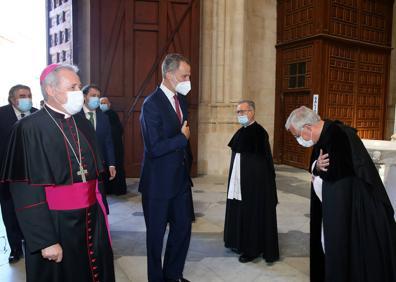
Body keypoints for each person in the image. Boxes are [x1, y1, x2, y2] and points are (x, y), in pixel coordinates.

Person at [0, 64, 115, 282]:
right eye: (72, 86)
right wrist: (45, 240)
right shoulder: (29, 128)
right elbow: (25, 190)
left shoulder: (82, 121)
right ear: (51, 90)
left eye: (79, 86)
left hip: (92, 217)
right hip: (55, 223)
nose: (79, 93)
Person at [285, 106, 396, 282]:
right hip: (328, 208)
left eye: (297, 135)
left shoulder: (340, 136)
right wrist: (317, 167)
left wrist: (321, 172)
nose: (298, 139)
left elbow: (342, 176)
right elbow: (316, 165)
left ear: (307, 127)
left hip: (351, 210)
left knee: (341, 249)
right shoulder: (321, 137)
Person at [139, 53, 194, 282]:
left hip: (180, 181)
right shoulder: (151, 104)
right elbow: (154, 147)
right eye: (185, 75)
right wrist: (182, 139)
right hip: (158, 185)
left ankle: (174, 275)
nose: (188, 80)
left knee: (182, 231)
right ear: (170, 75)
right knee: (156, 237)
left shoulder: (181, 100)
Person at [224, 100, 279, 263]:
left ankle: (252, 248)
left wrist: (253, 184)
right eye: (237, 112)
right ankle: (238, 242)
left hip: (253, 186)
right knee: (239, 210)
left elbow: (262, 165)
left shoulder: (259, 133)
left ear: (252, 112)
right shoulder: (242, 132)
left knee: (251, 213)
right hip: (238, 183)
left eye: (242, 111)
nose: (239, 115)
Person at [0, 84, 37, 263]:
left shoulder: (38, 114)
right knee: (9, 211)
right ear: (12, 99)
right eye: (23, 95)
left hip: (34, 174)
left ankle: (32, 243)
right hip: (7, 174)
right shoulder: (1, 115)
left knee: (33, 210)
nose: (27, 99)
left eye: (29, 95)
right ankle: (15, 247)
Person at [81, 85, 116, 201]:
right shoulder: (76, 116)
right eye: (93, 95)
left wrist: (111, 164)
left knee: (99, 198)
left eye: (98, 96)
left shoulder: (104, 117)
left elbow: (108, 142)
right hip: (81, 166)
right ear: (85, 97)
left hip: (99, 166)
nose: (96, 98)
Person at [99, 97, 127, 195]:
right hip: (107, 146)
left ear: (109, 104)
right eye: (101, 103)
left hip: (115, 146)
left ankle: (117, 189)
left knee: (116, 167)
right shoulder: (99, 115)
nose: (103, 104)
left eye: (104, 103)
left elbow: (118, 130)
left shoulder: (112, 114)